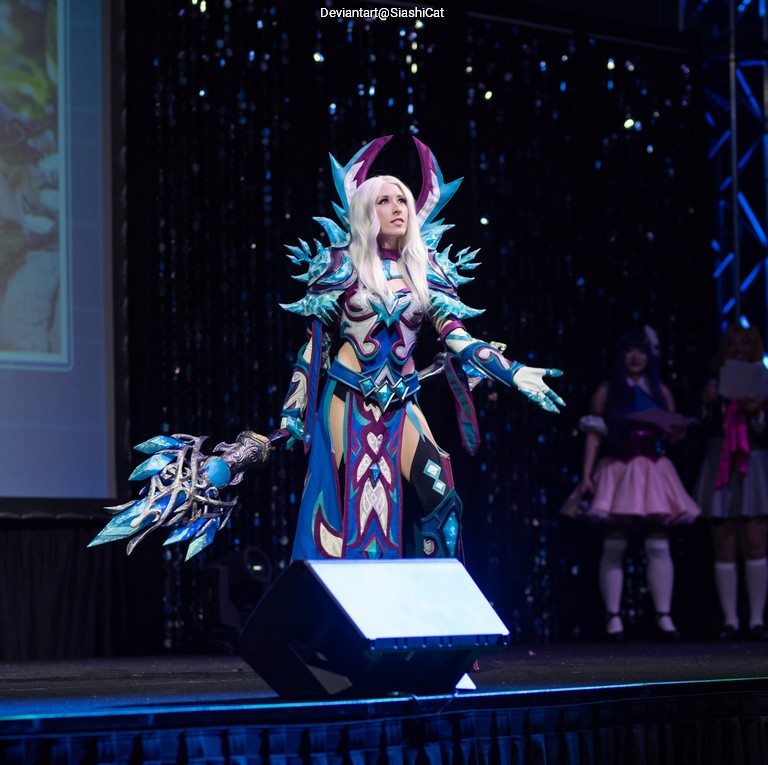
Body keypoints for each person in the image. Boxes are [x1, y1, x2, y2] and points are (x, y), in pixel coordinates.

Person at [89, 135, 566, 562]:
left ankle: (433, 610)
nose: (398, 207)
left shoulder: (428, 275)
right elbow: (310, 352)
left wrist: (515, 371)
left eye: (403, 198)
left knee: (440, 498)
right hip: (347, 399)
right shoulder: (339, 269)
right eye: (385, 199)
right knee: (338, 509)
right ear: (365, 210)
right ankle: (337, 613)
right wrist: (290, 418)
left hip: (403, 404)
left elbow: (460, 340)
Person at [561, 328, 700, 640]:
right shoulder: (608, 390)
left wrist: (677, 429)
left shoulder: (660, 389)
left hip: (653, 469)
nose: (636, 357)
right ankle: (613, 618)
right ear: (621, 355)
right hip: (619, 467)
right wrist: (586, 475)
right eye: (630, 351)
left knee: (657, 540)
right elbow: (594, 434)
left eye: (641, 351)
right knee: (616, 540)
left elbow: (673, 434)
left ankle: (664, 617)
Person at [692, 321, 768, 640]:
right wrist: (706, 405)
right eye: (733, 346)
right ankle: (730, 620)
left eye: (744, 345)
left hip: (753, 462)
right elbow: (694, 429)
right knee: (722, 539)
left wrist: (757, 413)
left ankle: (757, 620)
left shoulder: (763, 381)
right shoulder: (711, 384)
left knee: (755, 539)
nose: (738, 351)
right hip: (719, 460)